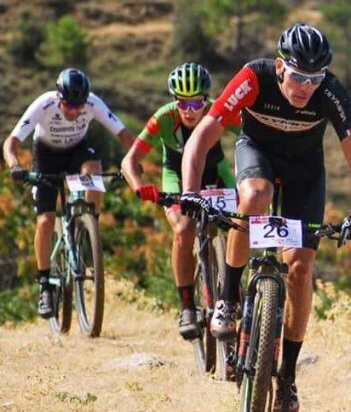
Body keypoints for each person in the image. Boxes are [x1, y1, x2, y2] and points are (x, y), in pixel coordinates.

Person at [179, 23, 351, 412]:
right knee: (253, 196)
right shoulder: (254, 76)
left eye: (315, 78)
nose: (306, 87)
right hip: (257, 154)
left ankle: (286, 376)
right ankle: (228, 299)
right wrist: (190, 190)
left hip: (305, 170)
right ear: (282, 67)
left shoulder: (331, 92)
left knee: (301, 268)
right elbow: (203, 135)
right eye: (299, 76)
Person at [3, 68, 135, 318]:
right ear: (58, 98)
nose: (74, 112)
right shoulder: (44, 104)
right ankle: (44, 283)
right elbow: (11, 143)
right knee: (45, 221)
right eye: (69, 106)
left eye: (79, 106)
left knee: (94, 169)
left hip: (77, 152)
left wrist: (134, 161)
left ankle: (88, 225)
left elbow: (125, 135)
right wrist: (15, 166)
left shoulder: (93, 103)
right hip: (46, 156)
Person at [121, 62, 237, 339]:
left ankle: (235, 289)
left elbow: (251, 139)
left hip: (216, 173)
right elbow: (130, 160)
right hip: (175, 177)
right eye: (183, 104)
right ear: (174, 101)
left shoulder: (218, 112)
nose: (190, 111)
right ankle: (187, 307)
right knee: (184, 230)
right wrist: (140, 187)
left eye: (197, 104)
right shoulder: (163, 118)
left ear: (207, 100)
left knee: (240, 224)